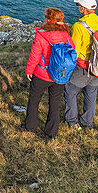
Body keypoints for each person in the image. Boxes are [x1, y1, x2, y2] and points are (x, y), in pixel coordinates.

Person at [22, 7, 71, 138]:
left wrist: (29, 70)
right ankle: (51, 132)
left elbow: (35, 56)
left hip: (42, 75)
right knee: (54, 104)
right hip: (59, 75)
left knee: (34, 101)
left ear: (49, 20)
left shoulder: (41, 35)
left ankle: (30, 127)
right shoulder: (66, 36)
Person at [66, 0, 98, 129]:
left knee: (70, 91)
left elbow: (74, 50)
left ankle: (72, 121)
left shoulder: (79, 26)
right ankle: (87, 122)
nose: (78, 7)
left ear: (83, 9)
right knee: (91, 93)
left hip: (83, 66)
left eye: (79, 5)